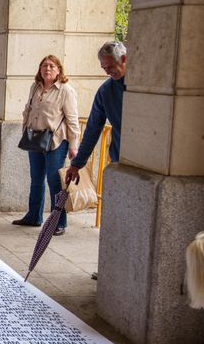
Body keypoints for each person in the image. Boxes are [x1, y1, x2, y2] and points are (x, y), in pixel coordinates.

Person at [12, 55, 80, 236]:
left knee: (54, 181)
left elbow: (72, 120)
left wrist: (74, 146)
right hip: (35, 138)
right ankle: (34, 216)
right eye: (44, 66)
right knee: (36, 180)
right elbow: (28, 108)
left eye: (51, 66)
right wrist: (25, 129)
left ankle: (59, 222)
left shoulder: (66, 90)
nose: (47, 69)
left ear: (59, 70)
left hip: (56, 141)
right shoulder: (35, 87)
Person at [65, 41, 126, 186]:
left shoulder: (144, 87)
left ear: (124, 59)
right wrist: (77, 164)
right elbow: (92, 129)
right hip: (119, 159)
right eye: (104, 68)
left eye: (110, 66)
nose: (107, 72)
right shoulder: (105, 91)